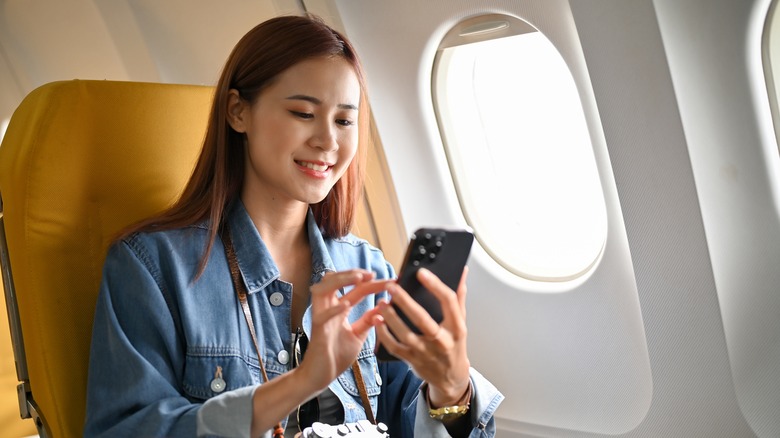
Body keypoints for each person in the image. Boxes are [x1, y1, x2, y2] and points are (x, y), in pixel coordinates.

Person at [84, 14, 503, 438]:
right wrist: (299, 384)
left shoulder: (367, 269)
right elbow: (125, 429)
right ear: (237, 112)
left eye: (344, 120)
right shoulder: (152, 266)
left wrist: (451, 390)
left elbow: (406, 418)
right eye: (304, 113)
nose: (328, 141)